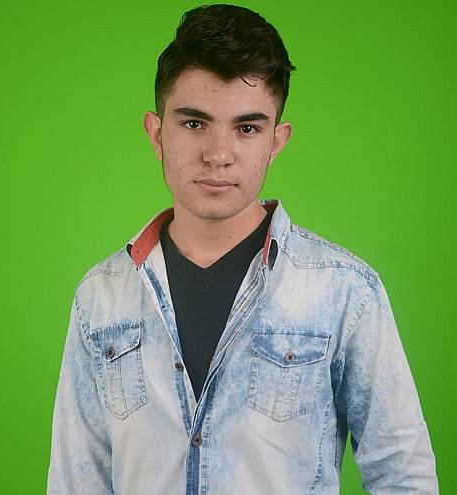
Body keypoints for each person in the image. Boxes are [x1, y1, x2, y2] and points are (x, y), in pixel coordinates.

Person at [46, 4, 439, 494]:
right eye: (194, 123)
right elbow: (75, 482)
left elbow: (403, 475)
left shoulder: (346, 292)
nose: (218, 154)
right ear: (156, 133)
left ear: (276, 141)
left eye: (247, 128)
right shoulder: (100, 297)